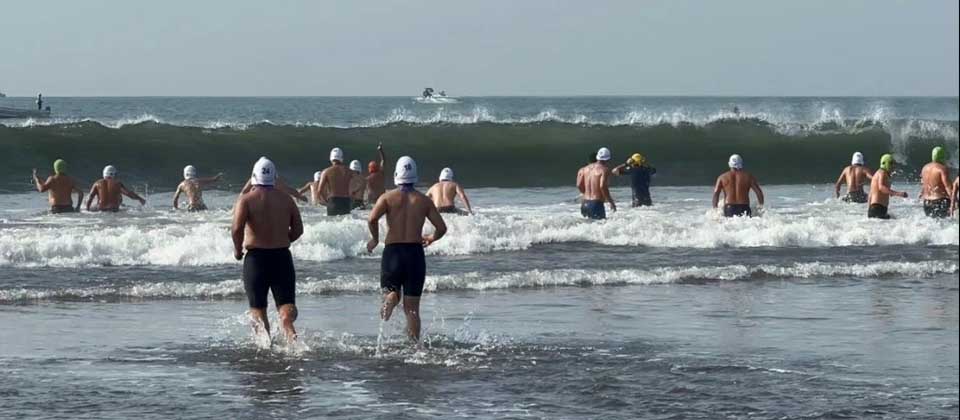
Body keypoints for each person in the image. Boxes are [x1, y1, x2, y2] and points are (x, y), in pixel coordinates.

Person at [367, 156, 446, 343]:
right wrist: (431, 238)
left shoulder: (387, 198)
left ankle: (392, 298)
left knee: (391, 291)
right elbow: (441, 228)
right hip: (414, 254)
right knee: (412, 309)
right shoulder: (423, 200)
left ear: (396, 174)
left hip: (393, 252)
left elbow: (371, 219)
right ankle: (414, 348)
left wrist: (375, 239)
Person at [232, 157, 304, 344]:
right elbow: (298, 230)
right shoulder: (287, 200)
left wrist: (238, 250)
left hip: (256, 259)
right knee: (286, 307)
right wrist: (282, 240)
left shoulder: (246, 200)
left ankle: (266, 349)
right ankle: (291, 337)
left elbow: (237, 229)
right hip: (281, 257)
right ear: (274, 176)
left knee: (258, 309)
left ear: (254, 176)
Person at [577, 148, 616, 219]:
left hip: (584, 203)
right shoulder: (604, 170)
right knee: (600, 228)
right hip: (596, 204)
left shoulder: (582, 169)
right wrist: (611, 202)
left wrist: (586, 193)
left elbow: (579, 185)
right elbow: (602, 186)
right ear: (608, 159)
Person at [867, 154, 908, 219]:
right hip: (878, 208)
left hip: (875, 209)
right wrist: (898, 193)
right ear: (886, 163)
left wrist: (869, 210)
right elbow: (881, 187)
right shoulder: (882, 173)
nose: (893, 166)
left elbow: (870, 195)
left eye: (894, 164)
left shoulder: (878, 174)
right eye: (891, 163)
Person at [318, 147, 353, 216]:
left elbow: (319, 191)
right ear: (341, 158)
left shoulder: (326, 171)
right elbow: (357, 184)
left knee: (332, 224)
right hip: (346, 202)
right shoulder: (349, 171)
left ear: (331, 158)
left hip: (333, 201)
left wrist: (326, 202)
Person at [919, 146, 952, 218]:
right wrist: (954, 201)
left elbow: (923, 185)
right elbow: (948, 187)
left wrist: (921, 194)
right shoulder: (942, 169)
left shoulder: (924, 168)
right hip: (940, 202)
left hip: (926, 202)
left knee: (932, 226)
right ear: (942, 156)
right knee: (944, 226)